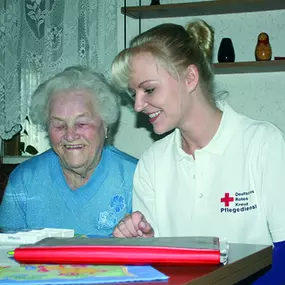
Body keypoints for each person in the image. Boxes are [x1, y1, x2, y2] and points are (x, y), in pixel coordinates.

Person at [111, 20, 285, 284]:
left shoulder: (264, 144)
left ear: (190, 78)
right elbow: (158, 271)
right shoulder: (152, 163)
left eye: (148, 89)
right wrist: (144, 245)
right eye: (132, 93)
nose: (137, 105)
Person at [0, 66, 138, 237]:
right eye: (59, 125)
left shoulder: (136, 177)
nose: (70, 135)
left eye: (82, 123)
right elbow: (6, 251)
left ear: (106, 124)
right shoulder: (24, 180)